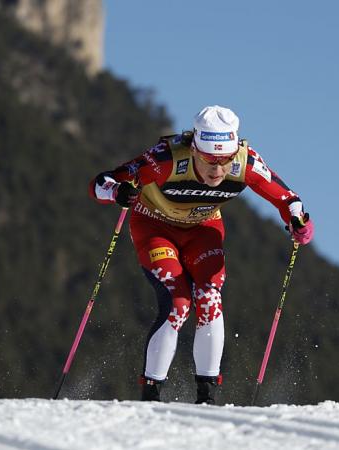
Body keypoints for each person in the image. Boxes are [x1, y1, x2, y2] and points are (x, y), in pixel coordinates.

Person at [89, 105, 314, 404]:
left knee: (210, 297)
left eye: (226, 160)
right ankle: (151, 396)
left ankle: (207, 397)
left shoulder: (246, 162)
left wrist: (299, 223)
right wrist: (117, 192)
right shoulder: (165, 159)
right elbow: (101, 183)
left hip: (202, 228)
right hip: (155, 227)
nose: (218, 170)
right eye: (209, 160)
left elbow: (288, 200)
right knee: (178, 304)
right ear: (194, 149)